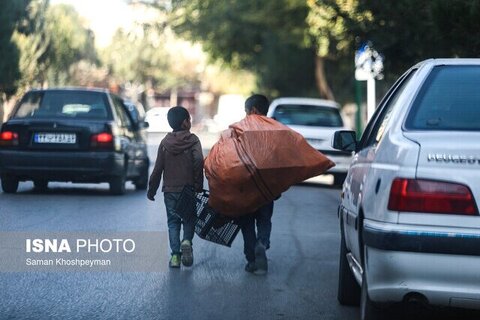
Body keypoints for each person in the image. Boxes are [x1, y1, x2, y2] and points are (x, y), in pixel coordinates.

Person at [147, 106, 204, 268]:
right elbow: (199, 161)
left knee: (173, 222)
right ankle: (186, 241)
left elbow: (158, 168)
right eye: (189, 119)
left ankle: (175, 257)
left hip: (170, 190)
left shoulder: (165, 143)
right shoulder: (193, 140)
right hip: (188, 189)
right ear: (185, 122)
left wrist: (152, 190)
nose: (190, 122)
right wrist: (198, 185)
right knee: (188, 218)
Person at [237, 94, 275, 275]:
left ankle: (252, 260)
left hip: (246, 187)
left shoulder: (241, 129)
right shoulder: (276, 129)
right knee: (264, 219)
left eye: (246, 112)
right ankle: (263, 243)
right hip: (267, 188)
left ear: (252, 111)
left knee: (247, 224)